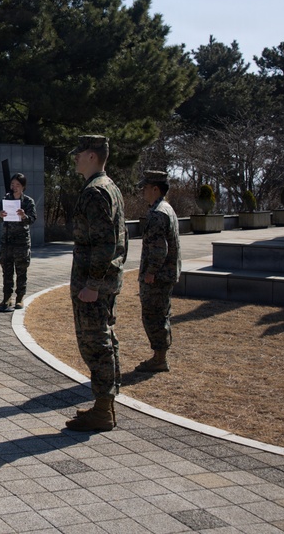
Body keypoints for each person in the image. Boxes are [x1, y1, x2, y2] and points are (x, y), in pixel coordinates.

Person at [65, 135, 128, 432]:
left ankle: (103, 410)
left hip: (94, 284)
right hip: (103, 281)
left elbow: (105, 243)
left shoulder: (95, 191)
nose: (75, 158)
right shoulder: (109, 187)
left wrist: (92, 283)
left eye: (79, 154)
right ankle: (105, 406)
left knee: (96, 344)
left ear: (91, 155)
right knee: (103, 342)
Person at [136, 170, 181, 372]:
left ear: (155, 189)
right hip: (166, 274)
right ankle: (159, 355)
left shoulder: (157, 213)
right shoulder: (166, 209)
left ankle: (159, 357)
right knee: (160, 314)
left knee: (154, 316)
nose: (143, 192)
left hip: (158, 276)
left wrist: (151, 271)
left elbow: (158, 248)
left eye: (145, 188)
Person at [0, 172, 37, 311]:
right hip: (6, 242)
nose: (14, 187)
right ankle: (7, 298)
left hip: (21, 243)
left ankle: (20, 298)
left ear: (23, 187)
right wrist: (0, 215)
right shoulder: (5, 200)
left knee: (21, 271)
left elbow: (32, 219)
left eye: (17, 185)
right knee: (6, 271)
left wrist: (24, 216)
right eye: (12, 184)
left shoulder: (28, 202)